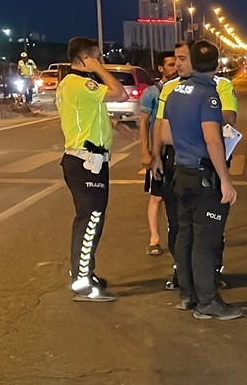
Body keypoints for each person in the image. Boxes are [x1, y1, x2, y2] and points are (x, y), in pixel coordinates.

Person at [161, 40, 241, 320]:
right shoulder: (209, 96)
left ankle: (188, 296)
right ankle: (208, 302)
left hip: (181, 172)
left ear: (192, 62)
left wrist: (187, 143)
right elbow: (213, 140)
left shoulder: (173, 92)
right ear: (217, 65)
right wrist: (225, 180)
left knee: (185, 235)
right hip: (203, 176)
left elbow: (165, 136)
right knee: (205, 240)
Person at [55, 37, 128, 302]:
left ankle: (85, 273)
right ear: (85, 58)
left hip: (86, 160)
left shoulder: (73, 85)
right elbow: (120, 93)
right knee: (90, 219)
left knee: (91, 218)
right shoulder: (80, 82)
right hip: (86, 162)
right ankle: (82, 282)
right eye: (98, 56)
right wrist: (98, 69)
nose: (102, 61)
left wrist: (112, 124)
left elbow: (87, 112)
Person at [139, 51, 176, 256]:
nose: (175, 68)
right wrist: (146, 152)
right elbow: (144, 122)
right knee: (157, 197)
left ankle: (176, 235)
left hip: (176, 151)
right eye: (170, 64)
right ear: (161, 68)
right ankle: (154, 239)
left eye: (177, 63)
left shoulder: (181, 89)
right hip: (157, 151)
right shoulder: (152, 92)